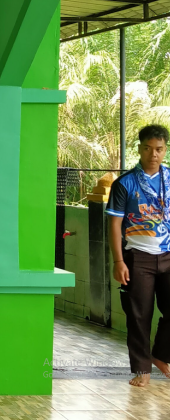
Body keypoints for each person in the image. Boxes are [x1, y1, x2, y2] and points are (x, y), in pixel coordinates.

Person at [107, 124, 170, 387]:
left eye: (159, 149)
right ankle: (142, 369)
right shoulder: (125, 183)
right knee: (138, 315)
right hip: (137, 257)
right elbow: (114, 224)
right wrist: (118, 261)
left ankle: (161, 355)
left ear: (165, 150)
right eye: (147, 148)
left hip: (168, 253)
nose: (153, 154)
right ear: (139, 148)